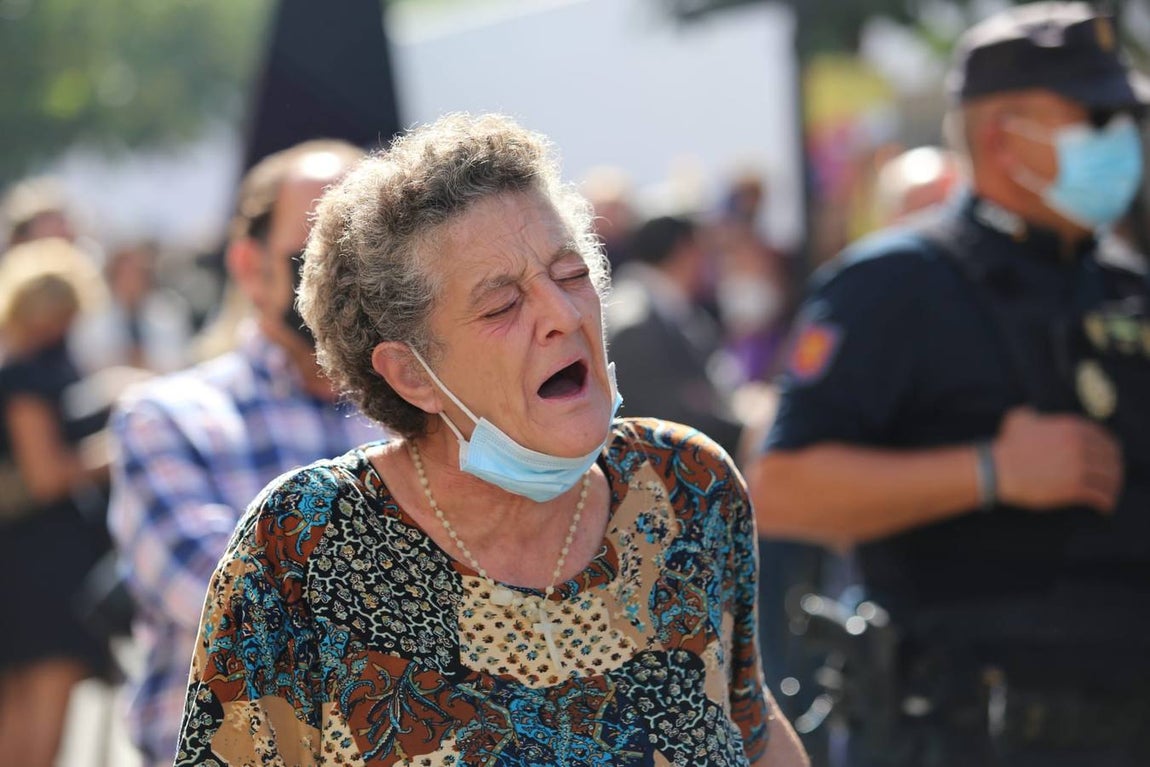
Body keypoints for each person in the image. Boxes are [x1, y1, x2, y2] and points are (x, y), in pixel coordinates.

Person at [173, 113, 808, 766]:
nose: (563, 317)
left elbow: (749, 723)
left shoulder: (688, 483)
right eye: (502, 306)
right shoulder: (306, 540)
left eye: (569, 275)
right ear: (411, 373)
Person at [751, 3, 1150, 765]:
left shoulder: (1125, 286)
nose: (1122, 140)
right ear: (1001, 136)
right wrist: (988, 471)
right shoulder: (895, 285)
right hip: (974, 736)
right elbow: (779, 488)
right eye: (1098, 118)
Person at [107, 139, 385, 767]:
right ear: (249, 267)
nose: (346, 280)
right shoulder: (171, 420)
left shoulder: (433, 413)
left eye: (370, 254)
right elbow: (233, 607)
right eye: (317, 254)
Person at [0, 239, 115, 767]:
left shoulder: (23, 367)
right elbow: (46, 477)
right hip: (41, 567)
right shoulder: (24, 376)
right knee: (39, 726)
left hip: (26, 561)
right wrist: (116, 452)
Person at [607, 214, 744, 457]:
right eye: (704, 250)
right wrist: (746, 429)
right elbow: (661, 419)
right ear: (685, 250)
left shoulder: (660, 306)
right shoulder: (636, 322)